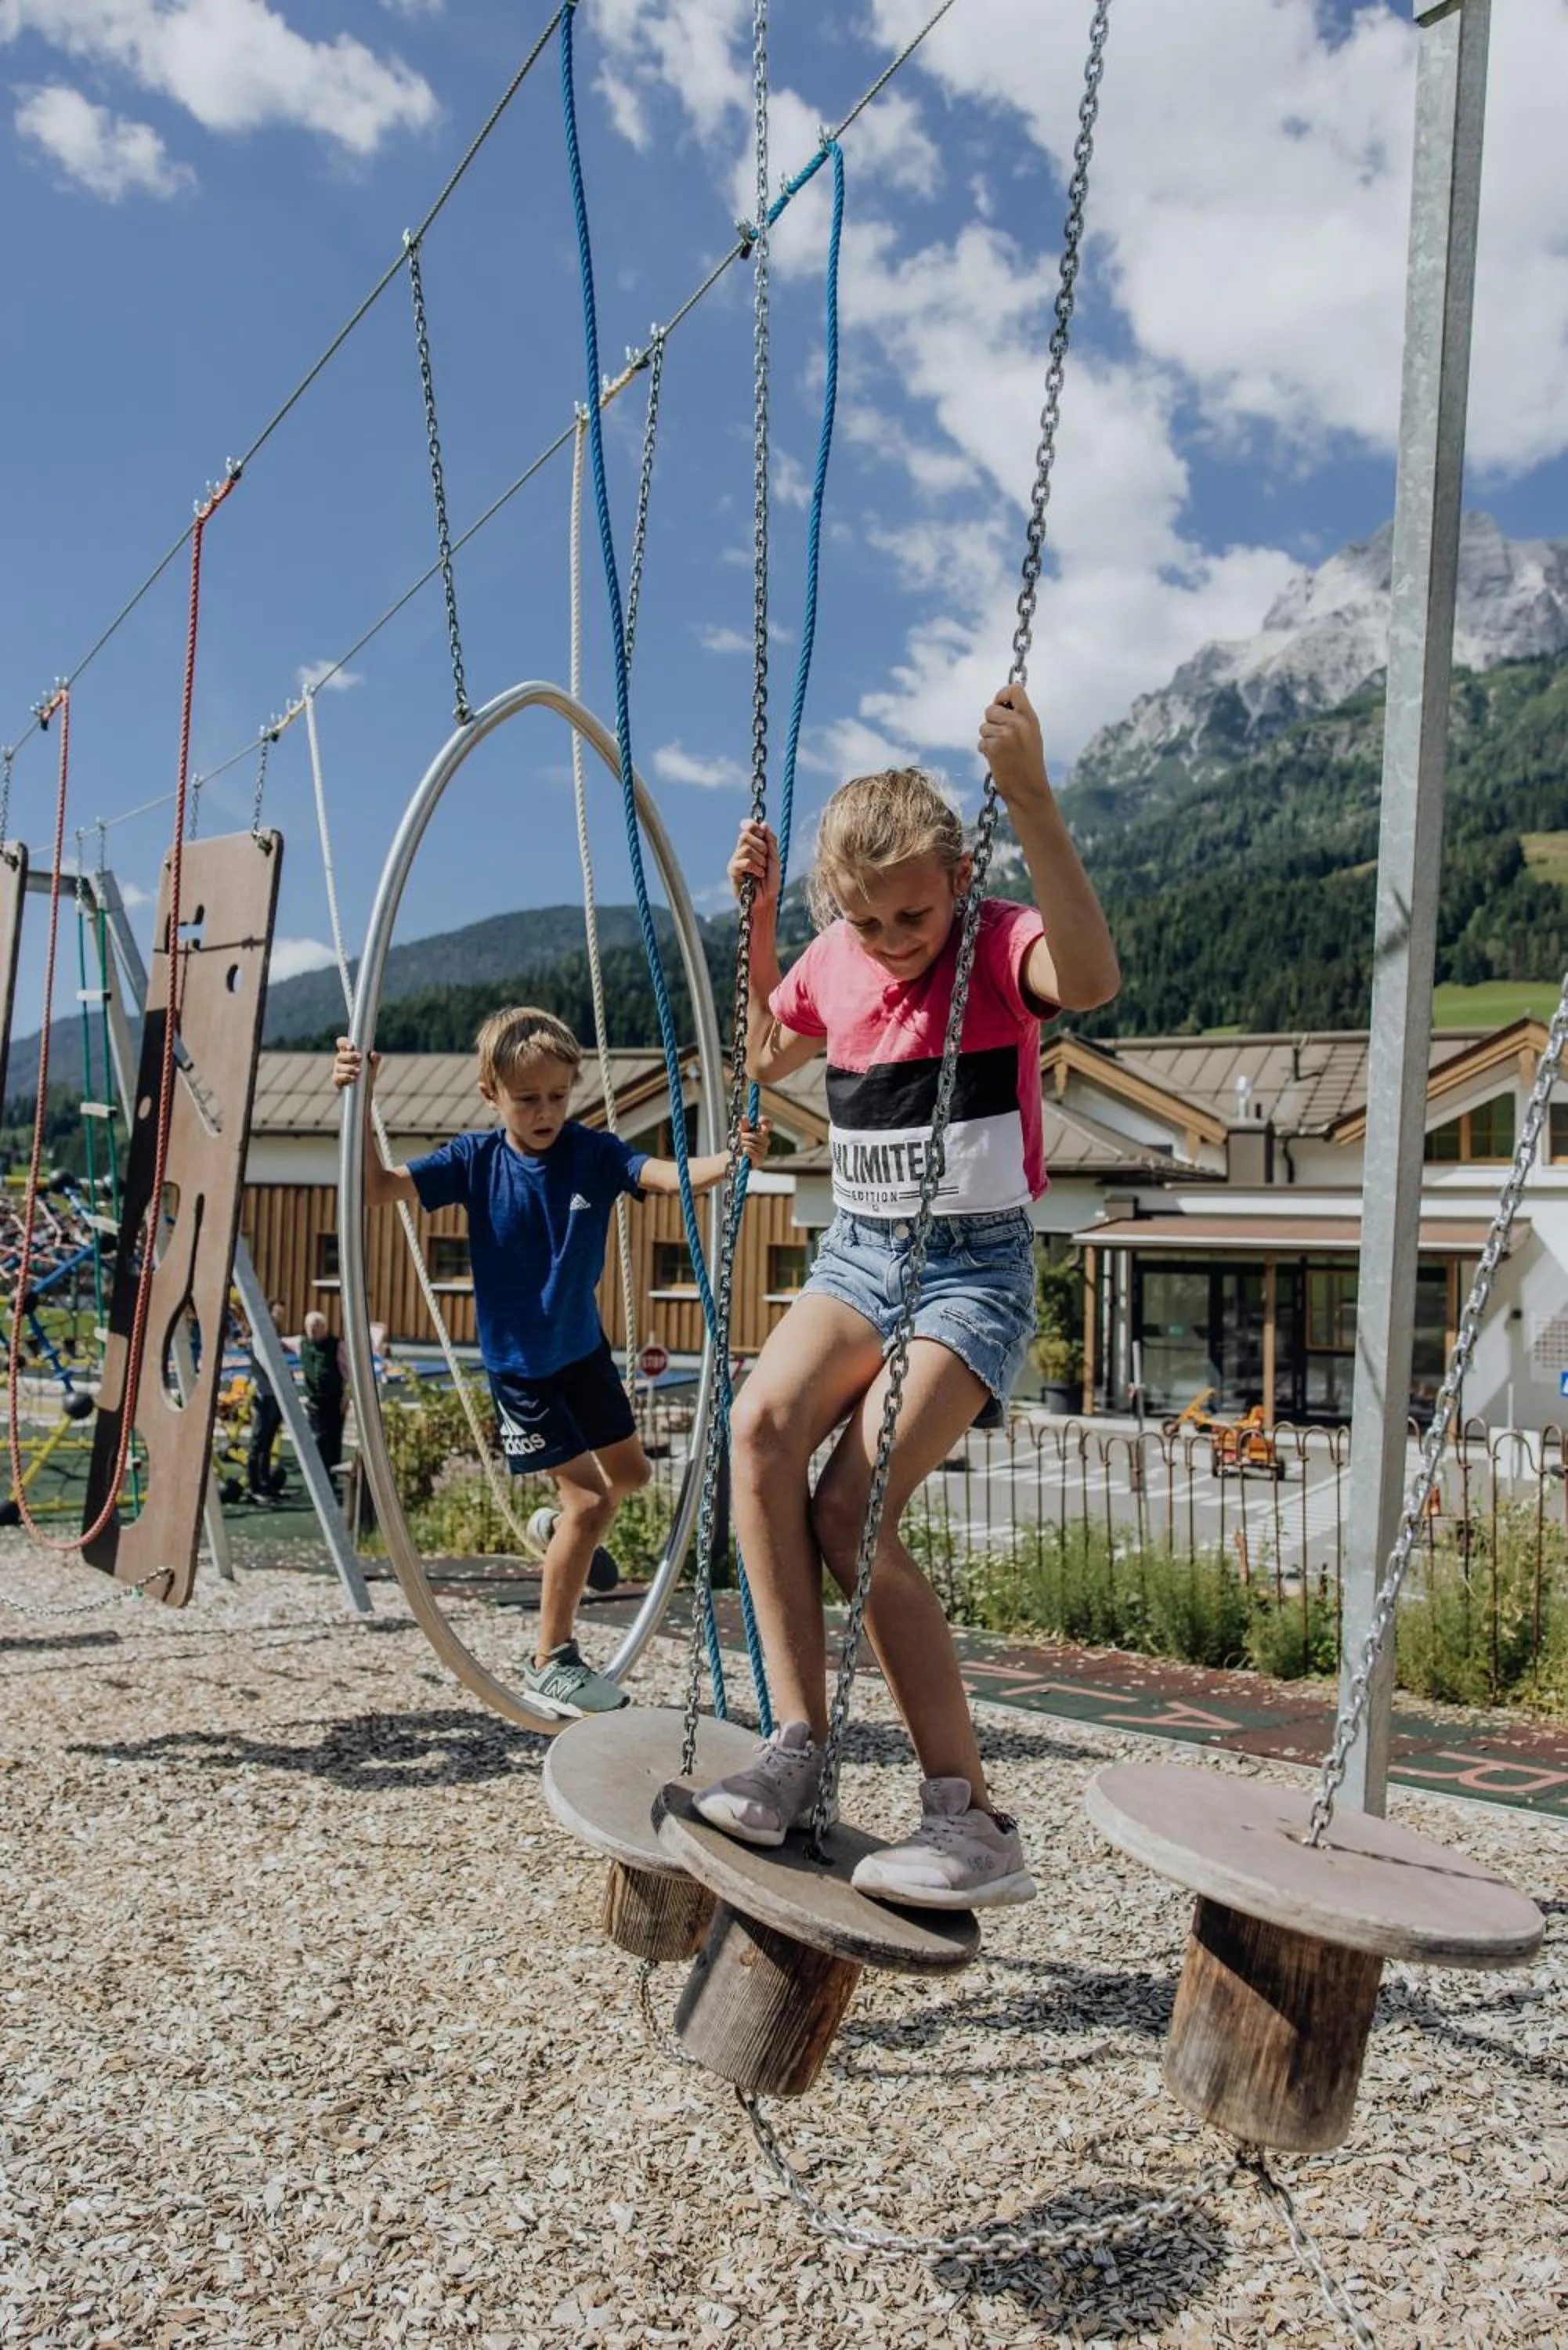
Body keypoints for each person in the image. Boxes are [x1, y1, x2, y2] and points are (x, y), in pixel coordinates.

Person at [694, 684, 1119, 1908]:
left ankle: (968, 1818)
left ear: (958, 878)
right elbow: (765, 1052)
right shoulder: (837, 958)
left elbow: (1090, 978)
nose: (890, 939)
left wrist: (1030, 797)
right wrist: (760, 923)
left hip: (971, 1266)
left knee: (854, 1505)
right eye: (867, 918)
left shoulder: (993, 945)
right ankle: (795, 1747)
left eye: (911, 913)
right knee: (755, 1428)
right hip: (859, 1253)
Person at [333, 1007, 768, 1718]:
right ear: (491, 1095)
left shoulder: (592, 1154)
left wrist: (732, 1161)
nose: (544, 1112)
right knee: (591, 1504)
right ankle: (552, 1661)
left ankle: (555, 1532)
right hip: (523, 1371)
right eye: (527, 1098)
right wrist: (360, 1101)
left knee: (632, 1476)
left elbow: (666, 1175)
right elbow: (378, 1189)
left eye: (558, 1096)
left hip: (583, 1353)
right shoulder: (474, 1162)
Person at [245, 1299, 288, 1500]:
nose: (280, 1318)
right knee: (259, 1440)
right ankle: (255, 1486)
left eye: (282, 1314)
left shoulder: (273, 1337)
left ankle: (265, 1482)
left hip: (275, 1393)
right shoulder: (261, 1337)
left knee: (269, 1440)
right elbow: (267, 1364)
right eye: (277, 1314)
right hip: (265, 1394)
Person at [296, 1310, 348, 1476]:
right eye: (309, 1326)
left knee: (334, 1438)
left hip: (334, 1399)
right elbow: (279, 1342)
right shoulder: (302, 1343)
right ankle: (319, 1473)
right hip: (314, 1400)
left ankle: (332, 1473)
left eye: (316, 1326)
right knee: (318, 1437)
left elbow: (347, 1373)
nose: (312, 1330)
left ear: (325, 1328)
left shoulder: (337, 1346)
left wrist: (346, 1398)